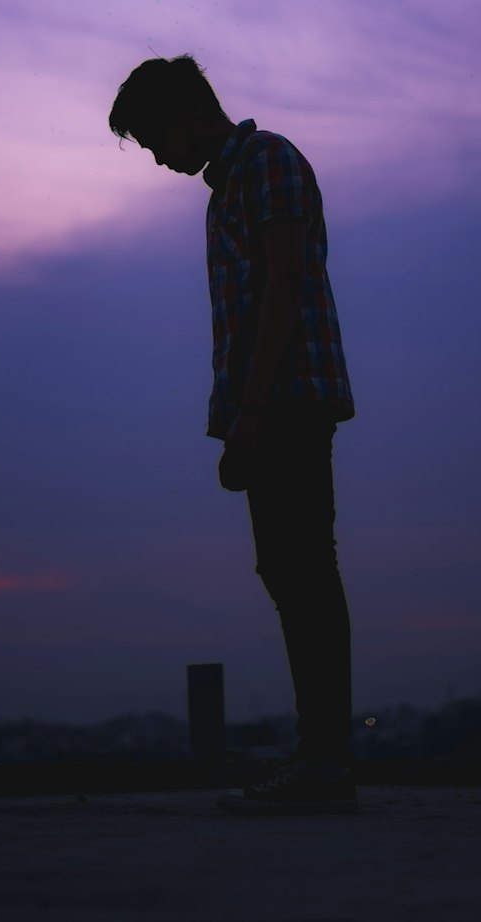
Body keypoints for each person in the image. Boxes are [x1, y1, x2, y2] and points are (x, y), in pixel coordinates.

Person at [109, 53, 359, 815]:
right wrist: (237, 420)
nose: (155, 156)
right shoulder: (228, 191)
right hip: (264, 404)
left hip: (286, 400)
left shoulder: (268, 162)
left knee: (303, 571)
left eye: (154, 137)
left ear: (190, 111)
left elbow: (284, 282)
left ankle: (326, 763)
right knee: (288, 570)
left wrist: (250, 414)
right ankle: (322, 758)